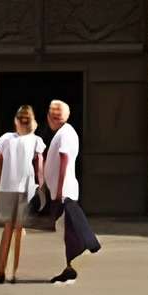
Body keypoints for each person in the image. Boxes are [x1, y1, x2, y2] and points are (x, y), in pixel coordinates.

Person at [42, 96, 100, 282]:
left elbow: (64, 160)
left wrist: (58, 189)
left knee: (69, 229)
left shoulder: (65, 133)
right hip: (62, 190)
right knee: (65, 230)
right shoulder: (63, 132)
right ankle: (69, 266)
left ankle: (78, 258)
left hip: (64, 191)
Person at [0, 104, 42, 282]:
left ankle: (5, 271)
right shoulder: (24, 140)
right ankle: (10, 271)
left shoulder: (12, 140)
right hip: (19, 189)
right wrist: (41, 190)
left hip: (13, 188)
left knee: (11, 229)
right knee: (15, 230)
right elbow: (39, 169)